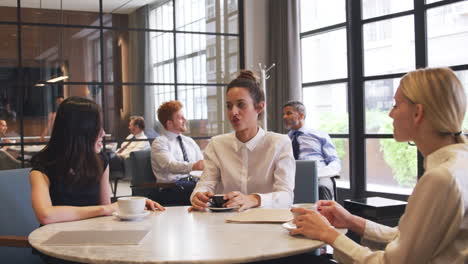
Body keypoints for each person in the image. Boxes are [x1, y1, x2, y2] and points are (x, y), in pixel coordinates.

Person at [291, 67, 468, 263]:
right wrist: (351, 221)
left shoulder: (440, 179)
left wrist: (328, 234)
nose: (390, 114)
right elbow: (405, 239)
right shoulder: (460, 163)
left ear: (418, 113)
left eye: (396, 105)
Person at [30, 97, 164, 225]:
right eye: (98, 128)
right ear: (81, 131)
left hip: (92, 238)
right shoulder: (42, 166)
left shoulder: (100, 162)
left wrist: (135, 204)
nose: (103, 133)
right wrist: (104, 209)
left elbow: (106, 213)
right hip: (55, 241)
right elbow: (46, 215)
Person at [190, 70, 295, 212]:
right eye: (229, 106)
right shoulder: (217, 144)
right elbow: (205, 184)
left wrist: (254, 199)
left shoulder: (279, 143)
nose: (233, 112)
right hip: (225, 222)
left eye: (241, 105)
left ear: (259, 107)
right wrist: (198, 196)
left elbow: (286, 196)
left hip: (266, 221)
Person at [282, 101, 341, 200]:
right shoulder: (283, 139)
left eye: (288, 113)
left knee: (322, 187)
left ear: (300, 115)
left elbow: (334, 161)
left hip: (319, 176)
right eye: (283, 114)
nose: (284, 117)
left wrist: (319, 174)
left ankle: (324, 215)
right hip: (292, 176)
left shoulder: (319, 135)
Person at [151, 101, 204, 203]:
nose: (185, 120)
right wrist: (194, 166)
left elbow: (201, 162)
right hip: (171, 188)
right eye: (180, 118)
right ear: (169, 123)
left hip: (192, 183)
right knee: (202, 193)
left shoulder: (189, 141)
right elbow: (170, 166)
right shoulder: (160, 143)